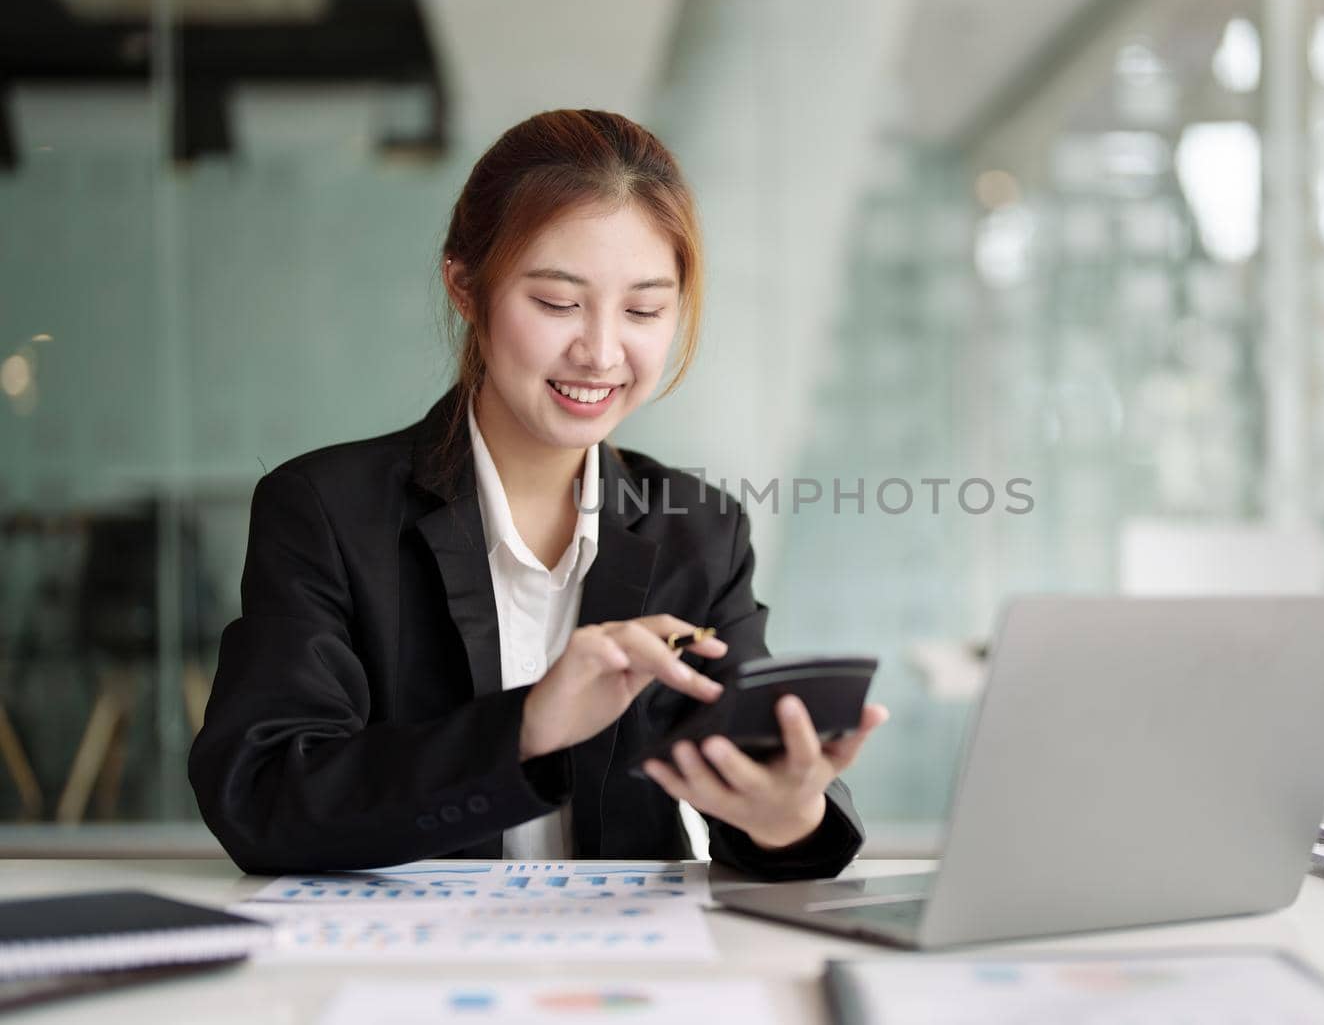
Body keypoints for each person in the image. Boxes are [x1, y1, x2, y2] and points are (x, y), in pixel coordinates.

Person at [189, 109, 888, 877]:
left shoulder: (701, 530)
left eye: (645, 309)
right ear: (465, 285)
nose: (600, 351)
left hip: (632, 979)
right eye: (557, 303)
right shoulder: (326, 511)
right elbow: (260, 799)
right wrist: (523, 728)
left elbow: (745, 779)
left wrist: (789, 814)